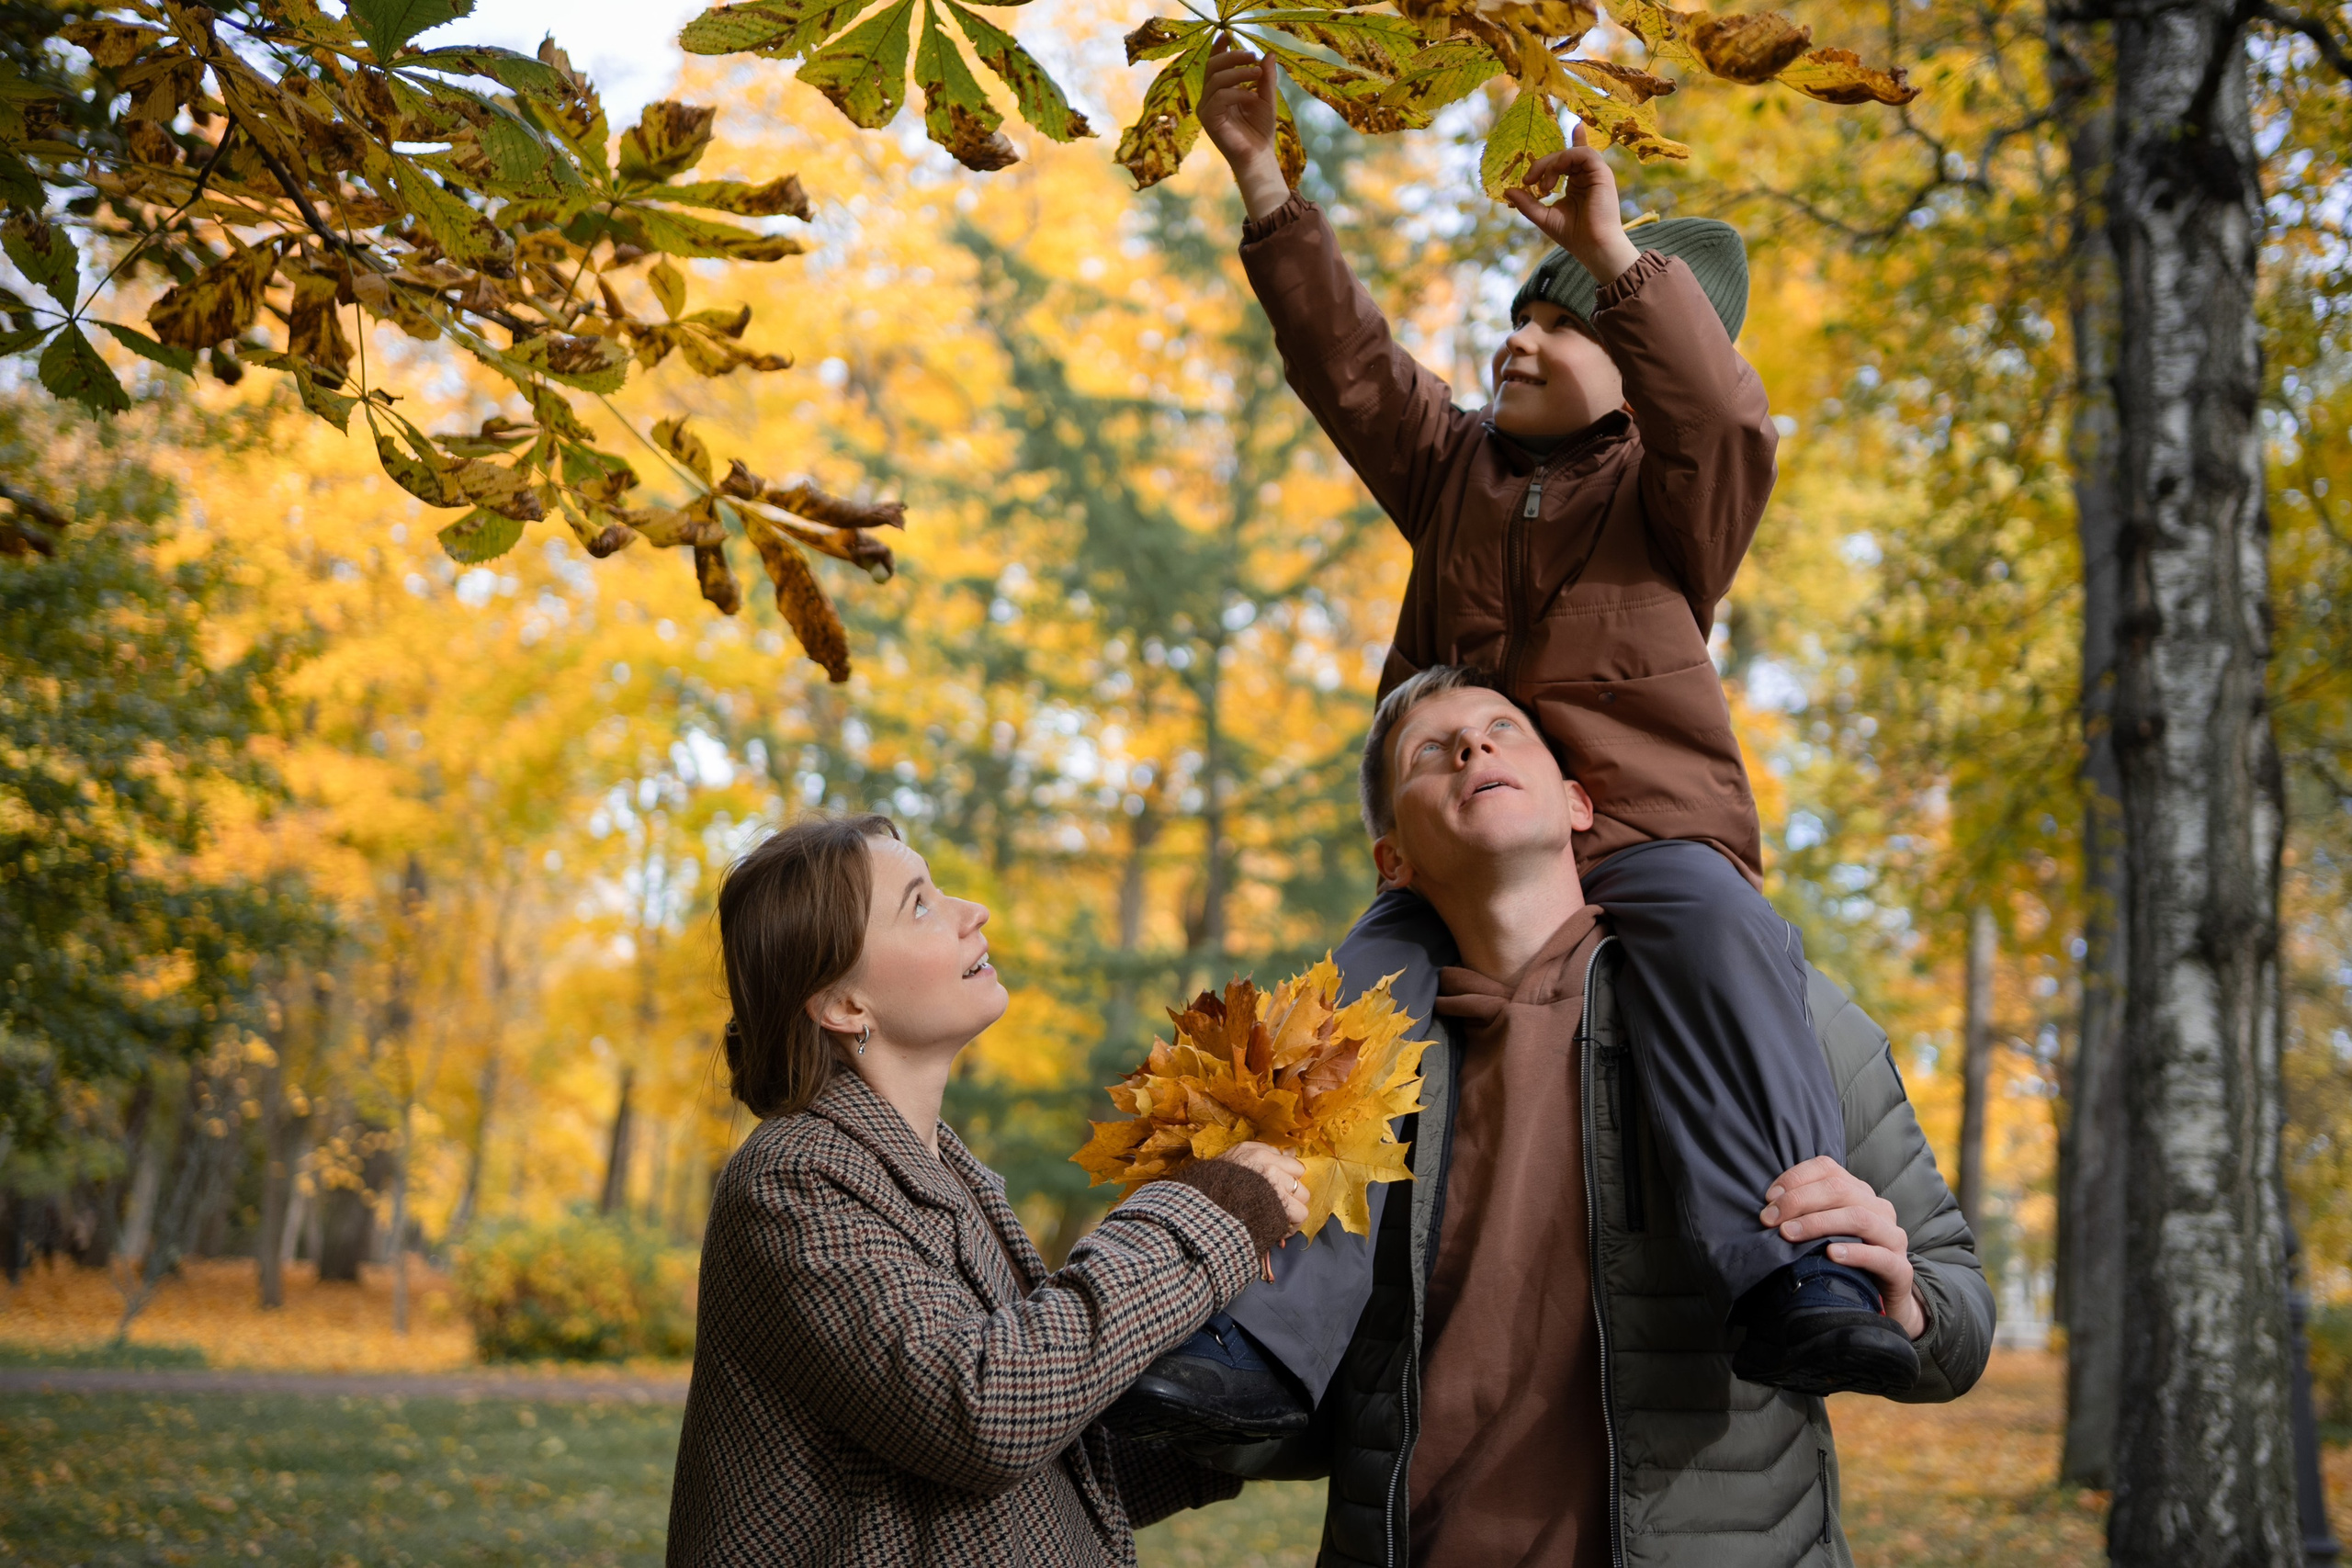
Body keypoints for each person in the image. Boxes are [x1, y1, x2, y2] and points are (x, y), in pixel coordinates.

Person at [1107, 43, 1916, 1445]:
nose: (1522, 342)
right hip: (1463, 851)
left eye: (1569, 327)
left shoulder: (1674, 505)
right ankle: (1266, 1341)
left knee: (1728, 938)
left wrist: (1616, 253)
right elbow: (1348, 362)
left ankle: (1791, 1262)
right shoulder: (1453, 469)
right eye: (1518, 321)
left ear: (1638, 371)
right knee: (1348, 1011)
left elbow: (1722, 412)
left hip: (1650, 838)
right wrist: (1262, 181)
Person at [1210, 668, 1995, 1566]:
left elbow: (1958, 1313)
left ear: (1578, 803)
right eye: (1431, 751)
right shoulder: (1337, 1076)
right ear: (1395, 863)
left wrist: (1904, 1303)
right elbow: (1297, 1412)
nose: (1473, 748)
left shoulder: (1766, 1011)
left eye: (1503, 729)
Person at [665, 813, 1312, 1567]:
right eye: (920, 904)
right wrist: (1210, 1212)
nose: (974, 913)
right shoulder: (793, 1181)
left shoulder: (944, 1175)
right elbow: (983, 1411)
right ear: (844, 1005)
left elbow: (1027, 1476)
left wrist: (1230, 1423)